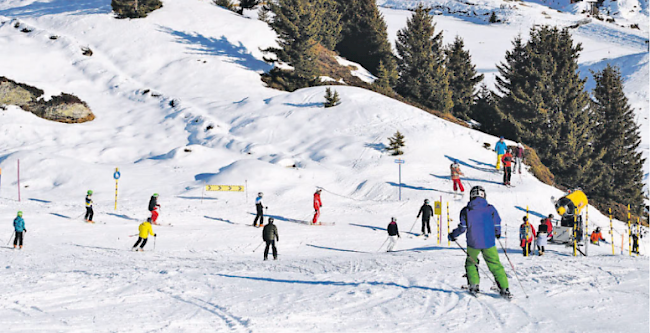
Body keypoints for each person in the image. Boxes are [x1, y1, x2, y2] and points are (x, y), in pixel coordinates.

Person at [448, 186, 511, 298]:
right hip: (489, 242)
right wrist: (497, 232)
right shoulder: (490, 208)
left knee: (471, 263)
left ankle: (474, 285)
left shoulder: (466, 210)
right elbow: (497, 221)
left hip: (473, 242)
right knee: (495, 264)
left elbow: (462, 227)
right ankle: (504, 288)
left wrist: (453, 235)